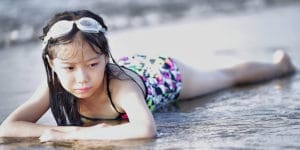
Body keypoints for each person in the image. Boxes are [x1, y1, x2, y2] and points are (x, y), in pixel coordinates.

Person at [0, 10, 296, 142]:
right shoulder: (53, 85)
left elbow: (145, 130)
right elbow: (7, 129)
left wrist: (80, 133)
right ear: (52, 65)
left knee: (224, 77)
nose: (82, 78)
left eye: (92, 64)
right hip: (133, 67)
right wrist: (61, 132)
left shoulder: (120, 85)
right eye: (69, 68)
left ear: (105, 57)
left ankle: (281, 67)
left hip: (160, 75)